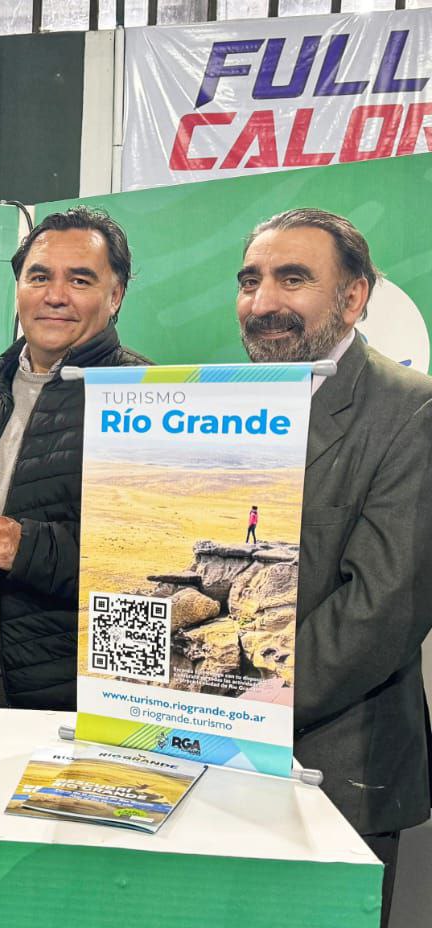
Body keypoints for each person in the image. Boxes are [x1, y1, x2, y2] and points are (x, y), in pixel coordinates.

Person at [236, 207, 432, 927]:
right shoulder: (225, 400)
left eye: (293, 279)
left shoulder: (413, 410)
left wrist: (243, 702)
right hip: (212, 761)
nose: (263, 304)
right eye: (250, 281)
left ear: (353, 298)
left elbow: (383, 606)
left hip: (336, 765)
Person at [0, 206, 150, 709]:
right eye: (38, 276)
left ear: (116, 295)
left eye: (80, 280)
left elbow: (154, 565)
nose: (55, 296)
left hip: (70, 686)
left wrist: (29, 547)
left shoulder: (145, 398)